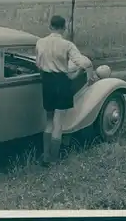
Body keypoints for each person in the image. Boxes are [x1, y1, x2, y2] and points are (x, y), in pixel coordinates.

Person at [35, 15, 96, 166]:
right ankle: (54, 159)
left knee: (49, 120)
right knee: (58, 122)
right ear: (64, 27)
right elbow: (84, 62)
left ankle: (46, 156)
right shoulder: (67, 45)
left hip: (47, 82)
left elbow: (38, 64)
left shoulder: (40, 42)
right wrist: (77, 74)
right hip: (62, 81)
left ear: (50, 26)